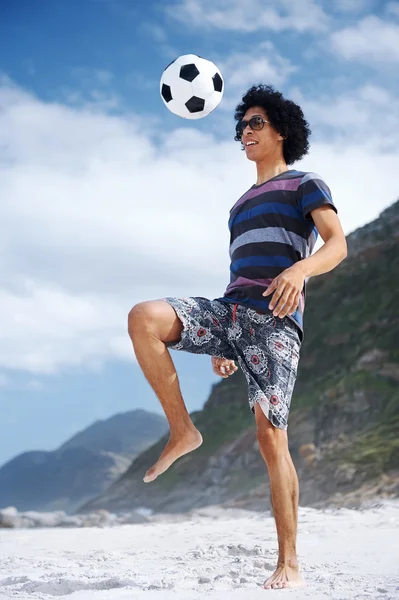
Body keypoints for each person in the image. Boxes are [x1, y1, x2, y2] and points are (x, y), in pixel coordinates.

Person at [128, 84, 347, 590]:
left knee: (272, 440)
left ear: (280, 131)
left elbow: (337, 244)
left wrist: (300, 272)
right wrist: (224, 345)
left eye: (255, 123)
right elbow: (239, 274)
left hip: (275, 320)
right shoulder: (239, 205)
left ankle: (288, 560)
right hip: (232, 312)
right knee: (145, 317)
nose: (244, 133)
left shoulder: (304, 183)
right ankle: (183, 430)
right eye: (241, 126)